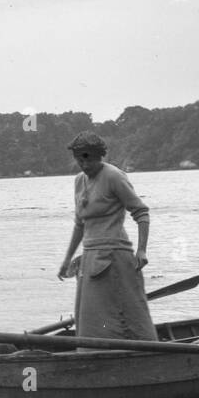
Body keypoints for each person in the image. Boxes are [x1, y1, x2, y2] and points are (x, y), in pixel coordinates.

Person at [57, 132, 157, 340]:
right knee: (90, 317)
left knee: (123, 313)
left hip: (115, 256)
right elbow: (79, 224)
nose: (84, 163)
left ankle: (138, 353)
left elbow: (141, 213)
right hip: (90, 257)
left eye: (88, 157)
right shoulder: (78, 181)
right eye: (79, 158)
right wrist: (67, 260)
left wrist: (142, 250)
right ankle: (92, 355)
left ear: (99, 155)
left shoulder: (114, 176)